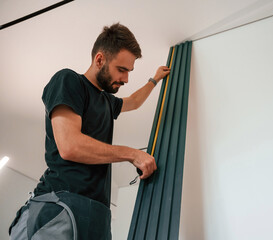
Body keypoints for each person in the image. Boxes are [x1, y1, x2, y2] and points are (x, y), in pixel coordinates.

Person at [9, 23, 170, 239]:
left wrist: (155, 79)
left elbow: (134, 101)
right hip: (60, 205)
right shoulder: (68, 81)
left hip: (98, 213)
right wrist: (132, 153)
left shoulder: (107, 102)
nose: (126, 79)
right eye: (121, 70)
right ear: (100, 59)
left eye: (129, 71)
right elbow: (70, 146)